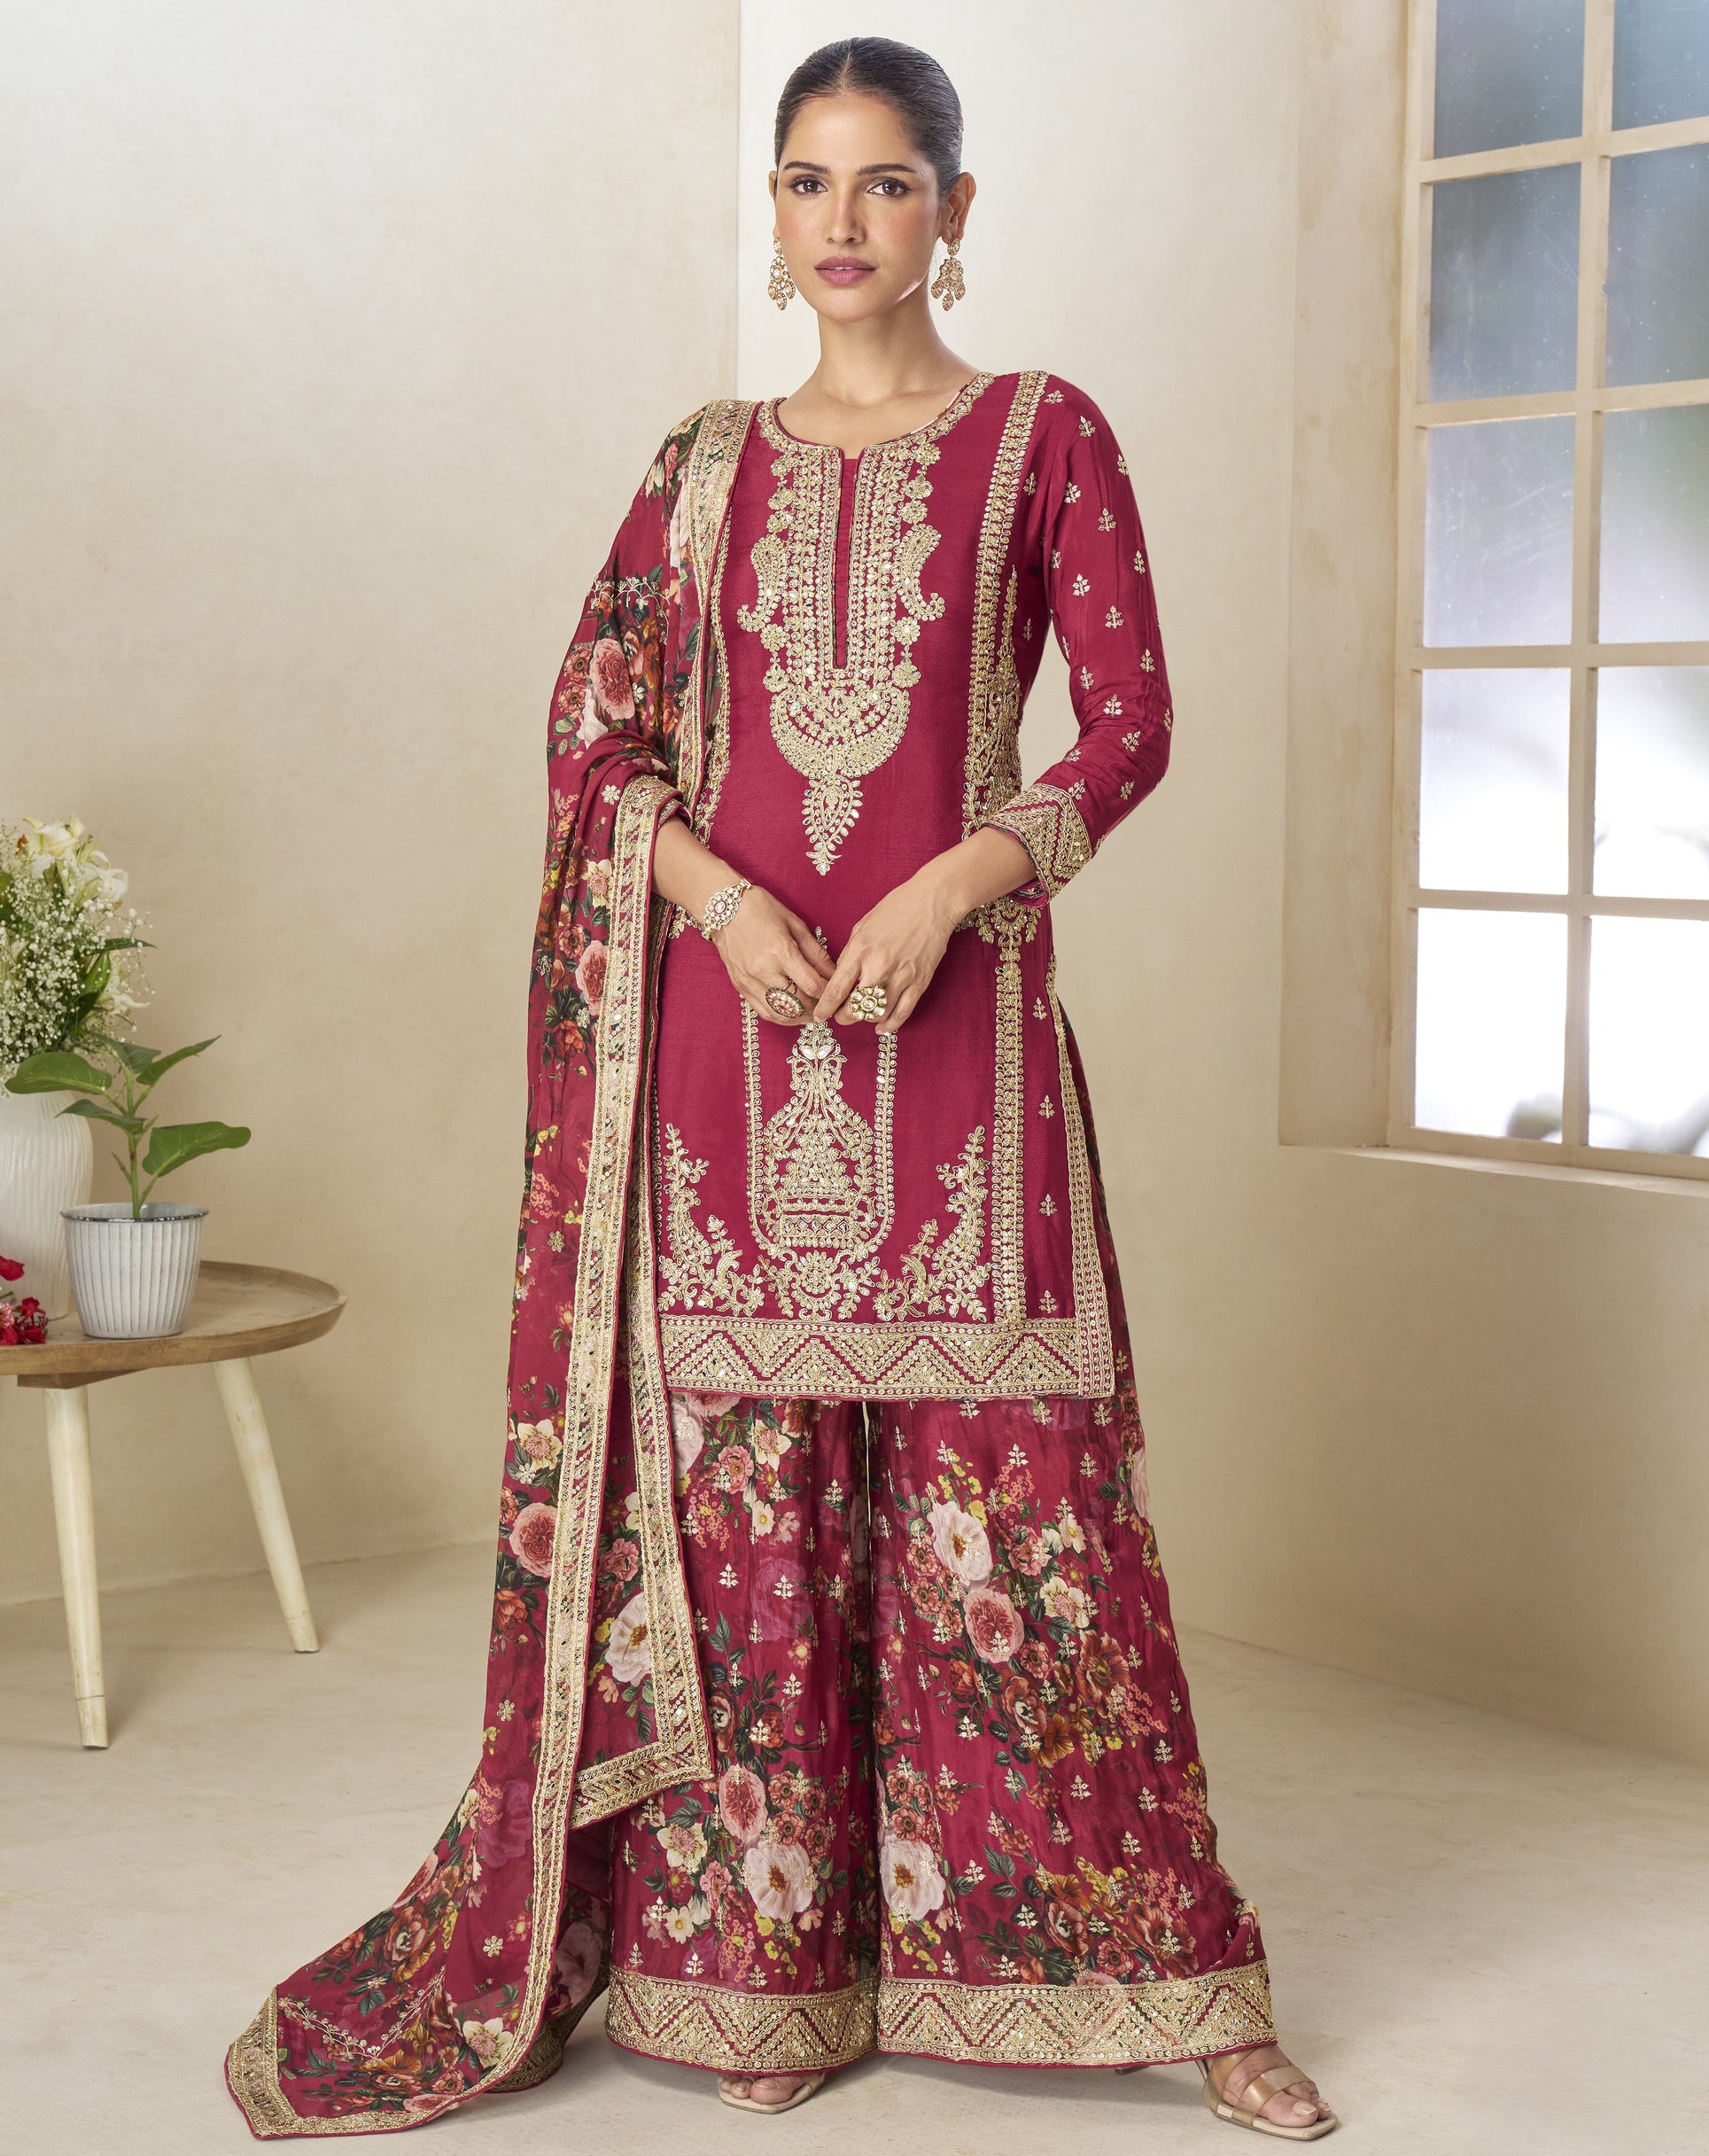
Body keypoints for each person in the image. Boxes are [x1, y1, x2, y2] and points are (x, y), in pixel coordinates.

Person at [226, 35, 1336, 2144]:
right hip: (730, 1075)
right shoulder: (701, 464)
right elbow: (593, 738)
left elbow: (1128, 723)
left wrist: (960, 878)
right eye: (808, 183)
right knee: (749, 1535)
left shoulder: (1042, 435)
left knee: (1035, 1538)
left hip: (965, 1068)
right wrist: (722, 901)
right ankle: (769, 1973)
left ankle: (1179, 1983)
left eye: (887, 182)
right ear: (771, 211)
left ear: (955, 209)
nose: (844, 223)